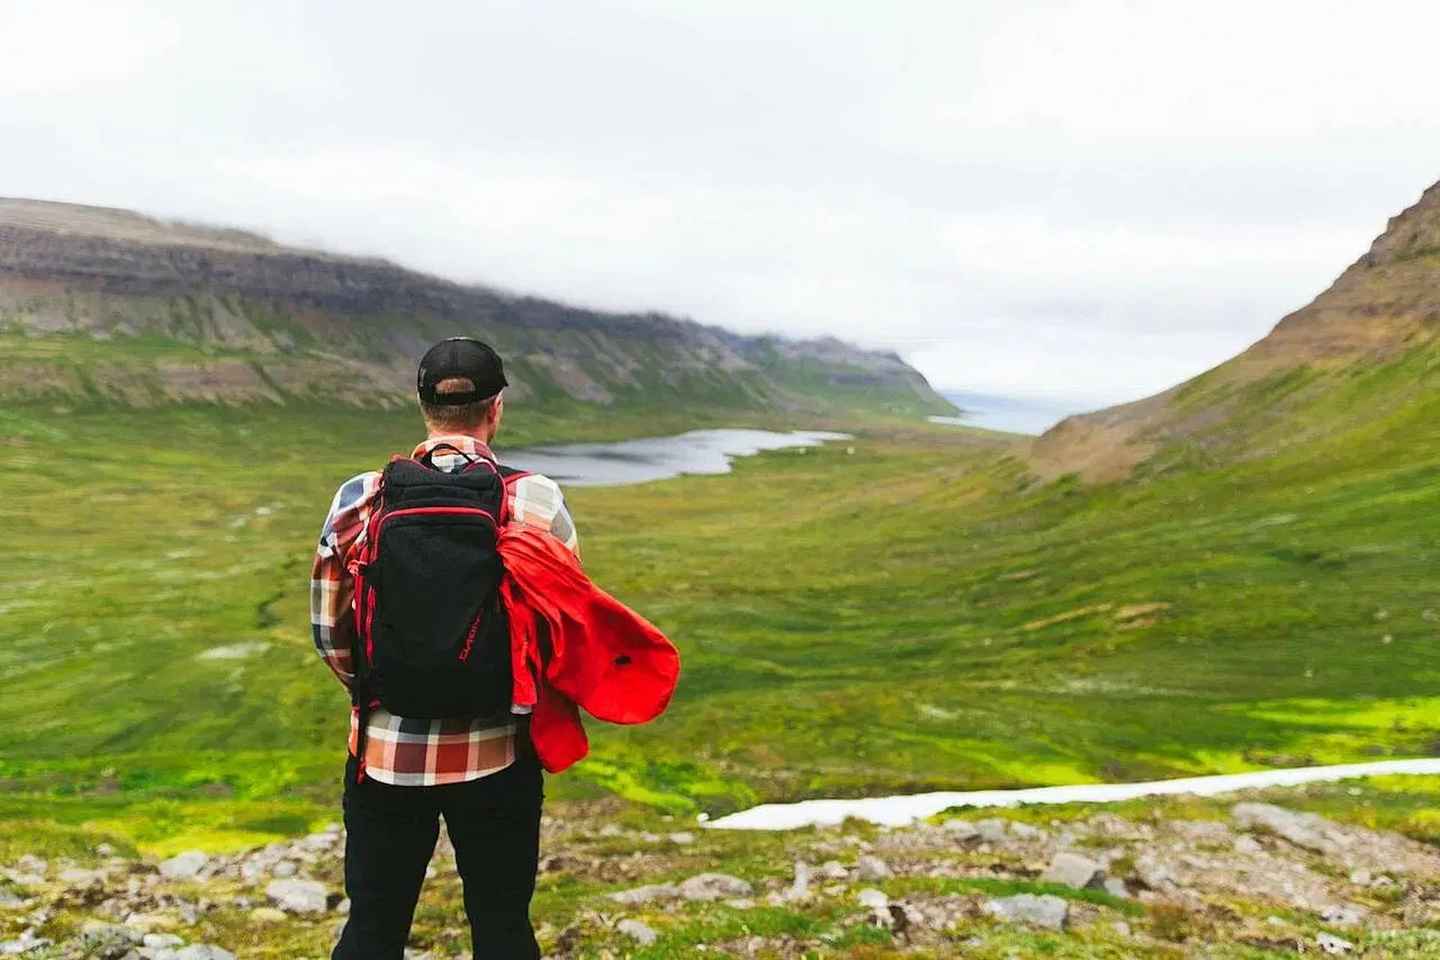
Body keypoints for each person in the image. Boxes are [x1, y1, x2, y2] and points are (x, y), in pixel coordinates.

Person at [311, 337, 577, 960]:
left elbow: (330, 632)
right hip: (500, 755)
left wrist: (379, 688)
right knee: (503, 928)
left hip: (384, 754)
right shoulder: (536, 499)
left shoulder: (361, 496)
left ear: (423, 405)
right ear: (497, 407)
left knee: (373, 930)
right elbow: (559, 623)